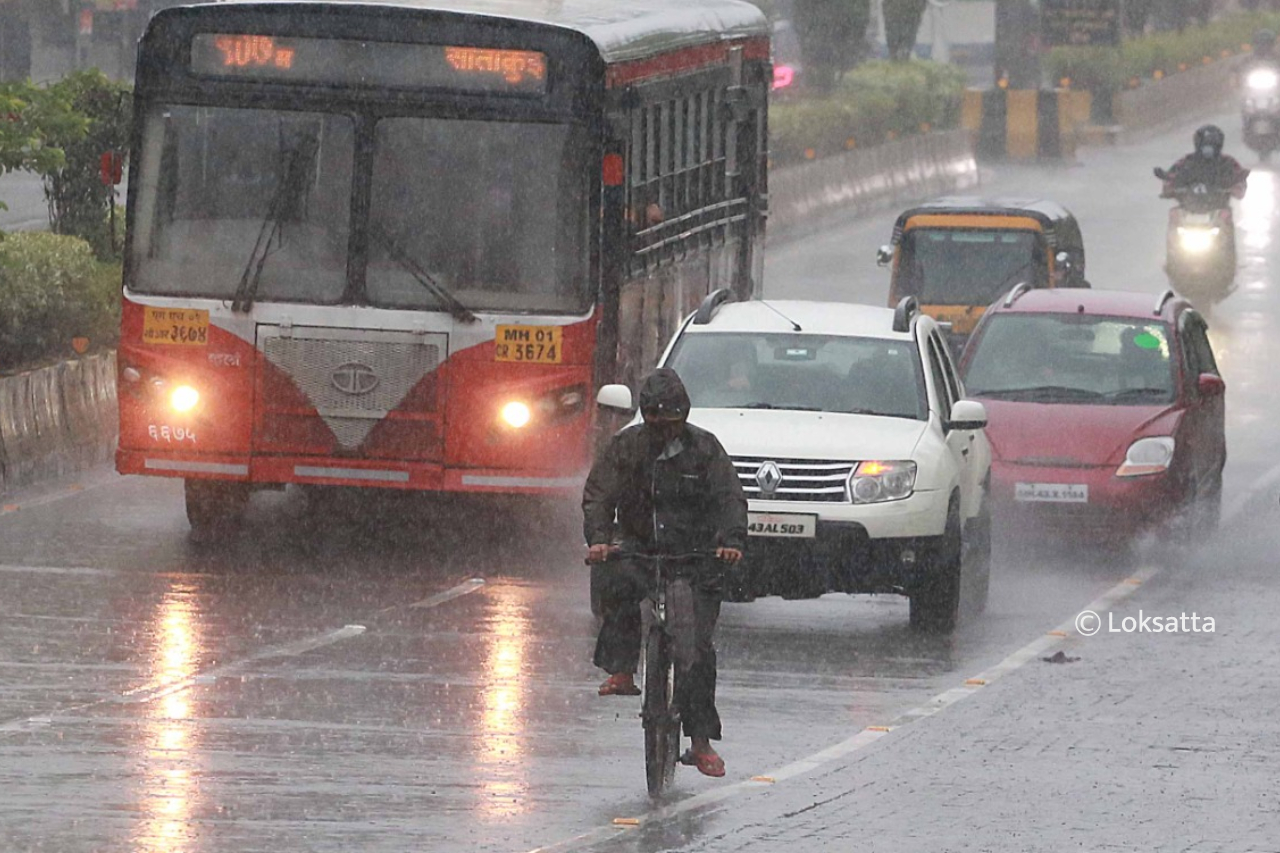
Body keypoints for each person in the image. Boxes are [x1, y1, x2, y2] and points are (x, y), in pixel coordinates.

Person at [582, 368, 747, 778]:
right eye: (655, 422)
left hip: (696, 556)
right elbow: (599, 495)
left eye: (671, 423)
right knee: (613, 578)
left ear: (684, 417)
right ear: (645, 416)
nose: (663, 431)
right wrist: (600, 539)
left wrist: (730, 540)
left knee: (697, 647)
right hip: (639, 548)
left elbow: (730, 497)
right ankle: (621, 668)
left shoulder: (706, 450)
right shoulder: (625, 448)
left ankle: (701, 742)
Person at [1160, 125, 1249, 200]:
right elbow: (1171, 176)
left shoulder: (1228, 162)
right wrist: (1169, 187)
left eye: (1212, 144)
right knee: (1174, 213)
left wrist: (1237, 188)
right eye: (1204, 144)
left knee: (1225, 214)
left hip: (1218, 208)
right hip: (1187, 207)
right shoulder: (1187, 161)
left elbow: (1240, 178)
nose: (1208, 149)